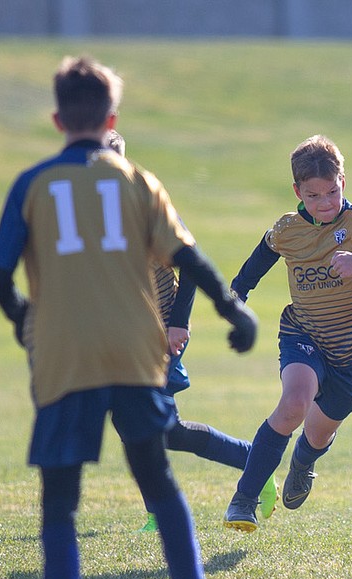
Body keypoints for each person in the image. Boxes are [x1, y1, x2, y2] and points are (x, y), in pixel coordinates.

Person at [0, 56, 259, 579]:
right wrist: (233, 311)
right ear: (110, 117)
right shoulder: (137, 180)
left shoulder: (33, 185)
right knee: (158, 482)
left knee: (60, 497)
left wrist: (22, 321)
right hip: (137, 354)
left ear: (58, 118)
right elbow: (189, 257)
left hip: (65, 357)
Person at [222, 134, 352, 532]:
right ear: (297, 192)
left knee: (316, 434)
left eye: (332, 192)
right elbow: (256, 264)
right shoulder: (286, 230)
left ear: (343, 181)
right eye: (313, 196)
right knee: (294, 403)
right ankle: (243, 500)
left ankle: (303, 462)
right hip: (304, 333)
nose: (325, 203)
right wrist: (236, 296)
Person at [105, 131, 278, 533]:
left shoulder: (147, 204)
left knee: (150, 428)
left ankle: (246, 470)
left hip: (161, 331)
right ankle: (254, 462)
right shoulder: (90, 213)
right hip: (122, 333)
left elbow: (190, 262)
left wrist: (178, 324)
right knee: (158, 429)